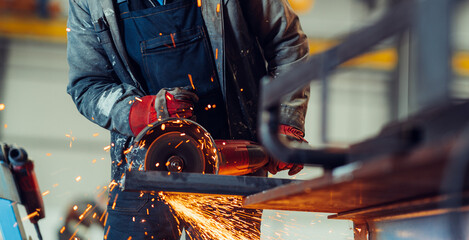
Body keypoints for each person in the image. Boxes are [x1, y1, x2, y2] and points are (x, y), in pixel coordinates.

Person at [66, 0, 309, 239]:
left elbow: (286, 41)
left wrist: (283, 121)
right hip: (143, 166)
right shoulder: (91, 3)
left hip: (231, 163)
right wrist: (142, 111)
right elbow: (88, 84)